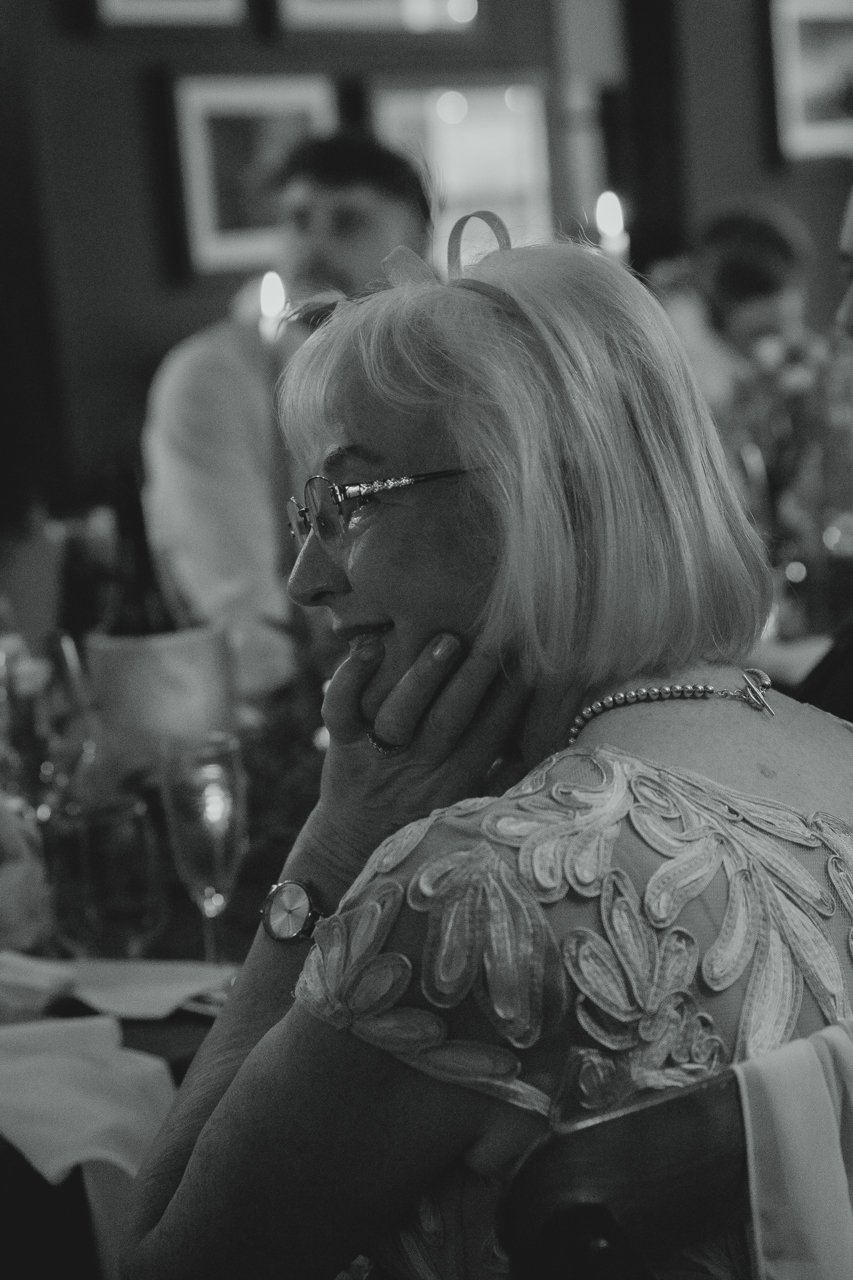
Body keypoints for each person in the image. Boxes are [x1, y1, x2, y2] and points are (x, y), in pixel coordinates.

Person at [123, 213, 853, 1280]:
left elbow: (160, 1265)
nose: (306, 581)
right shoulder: (834, 750)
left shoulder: (480, 888)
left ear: (532, 500)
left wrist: (330, 851)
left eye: (343, 502)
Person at [141, 131, 433, 704]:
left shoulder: (450, 374)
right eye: (298, 220)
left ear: (417, 242)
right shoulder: (214, 382)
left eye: (348, 222)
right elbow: (247, 632)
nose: (313, 247)